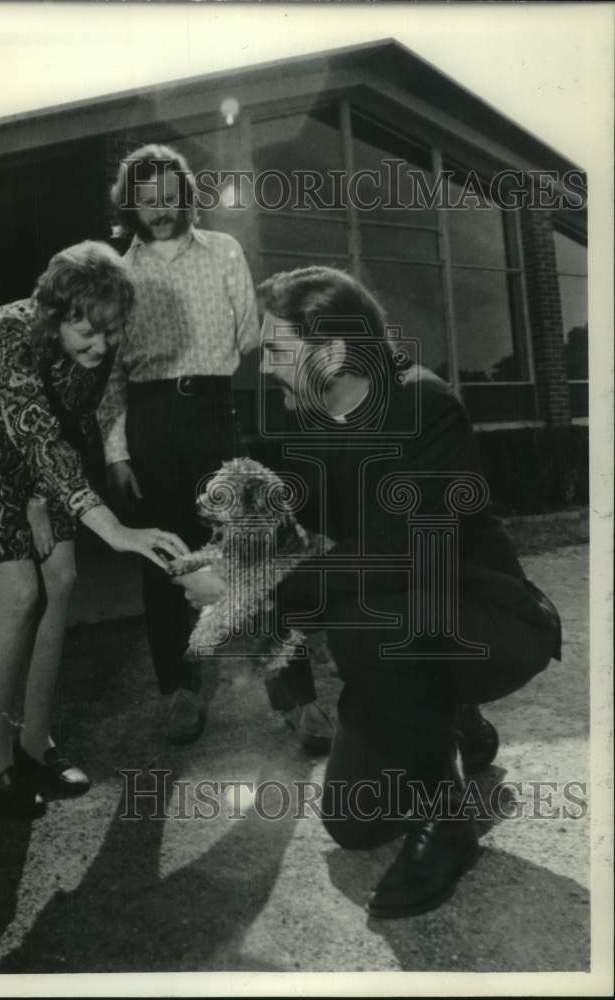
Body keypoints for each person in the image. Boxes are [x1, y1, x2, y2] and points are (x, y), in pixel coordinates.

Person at [176, 266, 562, 918]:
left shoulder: (422, 404)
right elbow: (306, 530)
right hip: (405, 618)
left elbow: (396, 556)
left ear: (328, 350)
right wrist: (232, 546)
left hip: (483, 618)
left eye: (275, 350)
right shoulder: (315, 416)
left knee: (366, 614)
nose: (265, 367)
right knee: (353, 826)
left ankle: (449, 820)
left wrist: (245, 587)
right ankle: (450, 716)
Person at [0, 241, 187, 818]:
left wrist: (41, 500)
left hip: (32, 467)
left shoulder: (96, 347)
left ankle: (35, 744)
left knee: (60, 578)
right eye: (89, 332)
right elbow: (34, 430)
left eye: (111, 333)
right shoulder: (5, 333)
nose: (102, 346)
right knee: (20, 594)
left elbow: (69, 424)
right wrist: (111, 526)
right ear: (55, 313)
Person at [99, 143, 332, 748]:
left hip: (214, 413)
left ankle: (298, 702)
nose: (160, 209)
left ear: (186, 195)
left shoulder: (224, 251)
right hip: (149, 421)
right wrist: (117, 454)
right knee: (166, 565)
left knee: (254, 554)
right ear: (132, 205)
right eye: (146, 200)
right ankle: (180, 693)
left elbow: (247, 339)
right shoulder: (118, 274)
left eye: (169, 195)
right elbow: (112, 376)